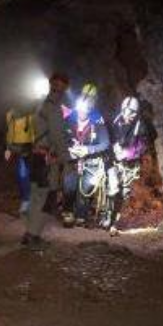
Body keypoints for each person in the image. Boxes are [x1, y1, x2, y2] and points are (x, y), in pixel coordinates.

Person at [22, 72, 70, 247]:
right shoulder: (53, 108)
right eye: (62, 87)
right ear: (62, 88)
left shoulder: (40, 104)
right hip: (48, 159)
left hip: (36, 155)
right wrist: (66, 159)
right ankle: (33, 236)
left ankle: (29, 234)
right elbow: (57, 136)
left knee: (36, 195)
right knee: (45, 198)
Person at [62, 83, 110, 228]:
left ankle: (81, 215)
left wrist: (88, 150)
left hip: (90, 162)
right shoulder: (70, 118)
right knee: (69, 185)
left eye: (85, 111)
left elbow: (105, 143)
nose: (82, 114)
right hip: (72, 159)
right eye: (80, 110)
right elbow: (60, 137)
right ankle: (68, 211)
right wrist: (69, 148)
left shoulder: (97, 120)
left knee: (86, 187)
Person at [105, 96, 148, 235]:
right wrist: (113, 148)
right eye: (127, 112)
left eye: (133, 113)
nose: (130, 115)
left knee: (124, 193)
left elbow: (142, 146)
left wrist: (128, 153)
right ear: (122, 110)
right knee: (112, 188)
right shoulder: (114, 121)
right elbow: (106, 137)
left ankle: (115, 221)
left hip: (129, 164)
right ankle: (107, 216)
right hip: (113, 161)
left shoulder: (140, 126)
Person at [4, 105, 36, 215]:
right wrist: (8, 148)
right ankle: (26, 200)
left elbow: (35, 131)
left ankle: (30, 201)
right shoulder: (10, 115)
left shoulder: (31, 115)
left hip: (29, 147)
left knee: (29, 174)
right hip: (17, 148)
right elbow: (10, 132)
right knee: (22, 174)